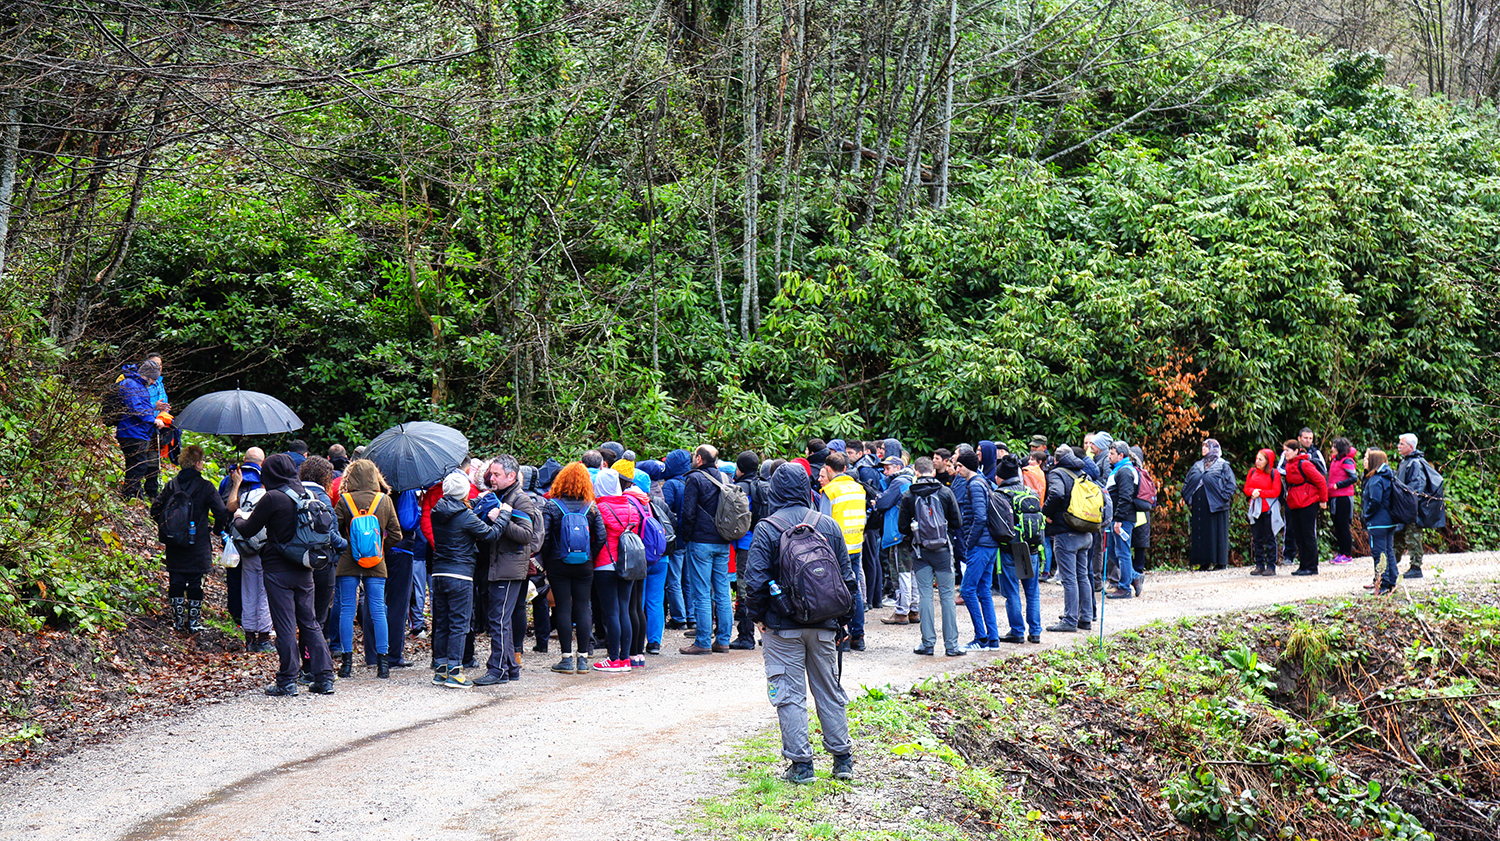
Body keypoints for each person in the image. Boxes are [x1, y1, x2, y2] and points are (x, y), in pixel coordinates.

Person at [741, 463, 857, 785]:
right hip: (824, 624)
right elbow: (848, 580)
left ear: (775, 491)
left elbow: (754, 581)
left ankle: (802, 766)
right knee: (829, 690)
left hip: (782, 627)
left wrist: (759, 618)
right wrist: (843, 623)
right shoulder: (828, 526)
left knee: (789, 694)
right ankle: (842, 759)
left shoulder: (767, 528)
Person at [232, 454, 340, 697]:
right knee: (310, 622)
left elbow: (249, 530)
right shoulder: (306, 495)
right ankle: (324, 678)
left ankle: (287, 680)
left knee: (285, 625)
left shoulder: (273, 498)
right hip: (305, 568)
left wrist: (239, 518)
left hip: (277, 570)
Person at [428, 471, 502, 689]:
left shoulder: (437, 511)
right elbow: (490, 534)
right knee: (459, 624)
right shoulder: (466, 516)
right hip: (460, 573)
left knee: (441, 622)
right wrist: (504, 515)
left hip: (439, 573)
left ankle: (440, 669)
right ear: (464, 492)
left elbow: (458, 510)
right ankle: (455, 671)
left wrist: (477, 500)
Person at [332, 458, 402, 679]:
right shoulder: (384, 500)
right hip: (376, 560)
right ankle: (383, 664)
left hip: (347, 560)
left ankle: (347, 663)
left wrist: (347, 546)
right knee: (378, 609)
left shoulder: (344, 500)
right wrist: (380, 548)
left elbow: (333, 530)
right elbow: (396, 534)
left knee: (346, 609)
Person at [150, 444, 231, 635]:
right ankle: (193, 622)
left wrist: (169, 527)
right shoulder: (206, 487)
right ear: (197, 464)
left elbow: (155, 510)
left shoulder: (172, 485)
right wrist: (217, 530)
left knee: (176, 580)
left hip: (174, 542)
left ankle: (178, 621)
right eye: (202, 461)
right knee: (195, 582)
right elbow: (221, 512)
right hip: (198, 542)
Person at [473, 455, 539, 686]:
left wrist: (500, 516)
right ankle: (510, 667)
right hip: (497, 566)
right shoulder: (499, 496)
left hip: (509, 568)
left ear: (511, 476)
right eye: (491, 473)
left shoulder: (521, 500)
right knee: (501, 619)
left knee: (498, 619)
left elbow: (526, 535)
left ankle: (497, 668)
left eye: (496, 475)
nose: (491, 478)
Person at [542, 462, 606, 674]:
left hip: (558, 563)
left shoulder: (552, 505)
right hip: (584, 564)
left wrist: (550, 558)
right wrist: (590, 555)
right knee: (583, 606)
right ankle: (583, 659)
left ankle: (566, 659)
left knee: (562, 608)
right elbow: (601, 536)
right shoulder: (591, 506)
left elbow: (545, 537)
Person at [898, 457, 964, 656]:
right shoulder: (945, 492)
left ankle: (928, 644)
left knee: (925, 596)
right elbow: (957, 522)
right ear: (933, 471)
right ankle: (951, 646)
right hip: (943, 551)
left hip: (920, 552)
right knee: (946, 597)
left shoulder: (909, 495)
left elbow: (902, 527)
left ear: (916, 472)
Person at [679, 444, 734, 654]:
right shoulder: (725, 478)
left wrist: (687, 536)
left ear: (700, 459)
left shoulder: (695, 478)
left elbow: (688, 512)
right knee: (722, 592)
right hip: (723, 540)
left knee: (701, 592)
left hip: (700, 542)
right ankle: (723, 640)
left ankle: (702, 641)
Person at [590, 468, 643, 672]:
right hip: (627, 563)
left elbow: (596, 537)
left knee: (611, 611)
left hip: (605, 564)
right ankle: (625, 659)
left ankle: (613, 659)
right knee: (624, 609)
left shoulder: (599, 509)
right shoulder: (631, 507)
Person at [817, 452, 868, 651]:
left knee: (836, 592)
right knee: (853, 589)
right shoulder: (859, 488)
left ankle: (842, 638)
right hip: (855, 544)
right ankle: (858, 635)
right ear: (845, 468)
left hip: (836, 548)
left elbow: (823, 522)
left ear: (828, 469)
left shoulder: (830, 491)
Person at [298, 456, 342, 682]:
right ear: (326, 477)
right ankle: (313, 666)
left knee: (303, 616)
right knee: (317, 618)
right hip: (323, 564)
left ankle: (304, 665)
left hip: (298, 563)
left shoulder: (293, 494)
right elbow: (332, 535)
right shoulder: (323, 498)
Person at [1044, 446, 1096, 633]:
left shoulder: (1057, 473)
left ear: (1056, 460)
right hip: (1085, 531)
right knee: (1082, 575)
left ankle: (1070, 619)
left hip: (1066, 533)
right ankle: (1085, 617)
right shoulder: (1083, 473)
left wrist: (1046, 513)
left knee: (1069, 578)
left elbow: (1056, 494)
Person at [952, 450, 999, 650]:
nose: (956, 470)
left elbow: (980, 517)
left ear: (963, 466)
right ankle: (992, 639)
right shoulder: (983, 482)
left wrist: (969, 542)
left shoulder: (975, 485)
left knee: (968, 590)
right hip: (989, 544)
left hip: (980, 545)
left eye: (957, 466)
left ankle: (981, 638)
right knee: (983, 591)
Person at [994, 455, 1041, 641]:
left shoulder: (999, 496)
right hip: (1033, 550)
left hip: (1010, 550)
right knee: (1032, 592)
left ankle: (1017, 631)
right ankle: (1035, 632)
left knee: (1012, 592)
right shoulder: (1030, 493)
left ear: (1001, 477)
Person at [731, 451, 768, 650]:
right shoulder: (764, 484)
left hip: (745, 545)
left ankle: (745, 636)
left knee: (744, 590)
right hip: (763, 542)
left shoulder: (741, 488)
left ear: (740, 468)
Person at [115, 358, 166, 500]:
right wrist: (154, 420)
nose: (154, 382)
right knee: (139, 466)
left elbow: (141, 406)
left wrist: (154, 407)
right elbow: (136, 409)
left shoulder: (138, 385)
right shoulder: (131, 384)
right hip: (131, 432)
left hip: (138, 433)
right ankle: (130, 494)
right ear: (148, 376)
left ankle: (134, 493)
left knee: (137, 464)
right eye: (153, 379)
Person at [876, 456, 917, 625]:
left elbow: (883, 503)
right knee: (912, 571)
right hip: (912, 532)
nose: (885, 472)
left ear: (899, 467)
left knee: (901, 573)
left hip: (899, 534)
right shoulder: (912, 479)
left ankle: (901, 612)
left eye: (888, 468)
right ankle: (914, 610)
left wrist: (878, 499)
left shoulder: (899, 481)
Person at [1278, 427, 1327, 567]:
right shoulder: (1289, 463)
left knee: (1308, 534)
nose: (1285, 453)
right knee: (1297, 533)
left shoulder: (1305, 463)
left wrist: (1323, 500)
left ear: (1295, 451)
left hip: (1307, 501)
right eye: (1285, 450)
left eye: (1287, 451)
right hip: (1294, 502)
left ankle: (1311, 565)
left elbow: (1321, 479)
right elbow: (1281, 472)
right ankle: (1302, 564)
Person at [1183, 439, 1235, 571]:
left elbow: (1231, 484)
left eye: (1207, 447)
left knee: (1217, 533)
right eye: (1203, 447)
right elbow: (1188, 481)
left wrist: (1223, 498)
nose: (1203, 449)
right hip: (1200, 505)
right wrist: (1187, 495)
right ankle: (1203, 562)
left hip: (1216, 506)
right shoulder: (1197, 465)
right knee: (1202, 532)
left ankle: (1220, 562)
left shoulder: (1223, 465)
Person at [660, 448, 694, 629]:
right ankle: (691, 615)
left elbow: (666, 511)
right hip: (691, 539)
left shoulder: (671, 485)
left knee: (673, 579)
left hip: (677, 539)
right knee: (688, 580)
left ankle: (679, 617)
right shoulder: (692, 480)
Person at [1103, 441, 1140, 600]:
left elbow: (1125, 498)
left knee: (1122, 552)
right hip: (1116, 518)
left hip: (1123, 519)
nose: (1108, 456)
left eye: (1111, 454)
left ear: (1121, 455)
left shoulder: (1125, 471)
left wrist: (1118, 520)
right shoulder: (1118, 470)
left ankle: (1125, 588)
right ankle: (1134, 576)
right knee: (1112, 551)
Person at [1361, 449, 1400, 595]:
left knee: (1378, 552)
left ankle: (1383, 584)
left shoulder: (1376, 479)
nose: (1364, 461)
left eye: (1367, 458)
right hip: (1389, 521)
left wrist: (1367, 515)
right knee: (1388, 551)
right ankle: (1391, 581)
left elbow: (1375, 501)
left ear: (1373, 461)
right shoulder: (1387, 477)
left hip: (1378, 522)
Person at [1394, 433, 1432, 579]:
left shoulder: (1415, 463)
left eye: (1402, 444)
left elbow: (1416, 487)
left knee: (1413, 536)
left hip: (1411, 508)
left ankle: (1416, 567)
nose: (1398, 446)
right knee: (1398, 535)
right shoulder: (1406, 462)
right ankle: (1391, 565)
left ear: (1410, 447)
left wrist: (1408, 502)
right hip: (1403, 507)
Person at [1242, 448, 1283, 576]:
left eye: (1261, 459)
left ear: (1267, 461)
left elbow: (1275, 491)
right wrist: (1252, 492)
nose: (1257, 461)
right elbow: (1246, 488)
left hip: (1268, 509)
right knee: (1257, 538)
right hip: (1255, 509)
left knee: (1270, 537)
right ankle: (1259, 564)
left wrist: (1259, 492)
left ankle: (1271, 566)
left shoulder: (1274, 473)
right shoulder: (1252, 471)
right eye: (1257, 459)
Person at [1326, 437, 1358, 565]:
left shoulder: (1347, 461)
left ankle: (1347, 554)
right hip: (1334, 497)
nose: (1332, 449)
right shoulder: (1335, 461)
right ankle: (1341, 553)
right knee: (1337, 525)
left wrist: (1338, 485)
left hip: (1344, 497)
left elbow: (1353, 477)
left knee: (1343, 525)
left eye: (1334, 446)